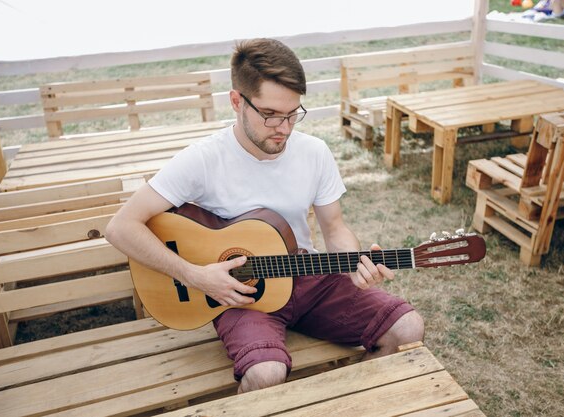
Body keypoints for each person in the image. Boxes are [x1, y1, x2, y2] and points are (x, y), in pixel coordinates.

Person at [105, 38, 424, 393]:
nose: (284, 129)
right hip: (238, 295)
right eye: (270, 115)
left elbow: (335, 229)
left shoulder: (314, 153)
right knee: (265, 374)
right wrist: (195, 276)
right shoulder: (203, 160)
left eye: (293, 114)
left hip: (306, 277)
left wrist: (353, 264)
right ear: (237, 101)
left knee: (408, 329)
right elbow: (120, 227)